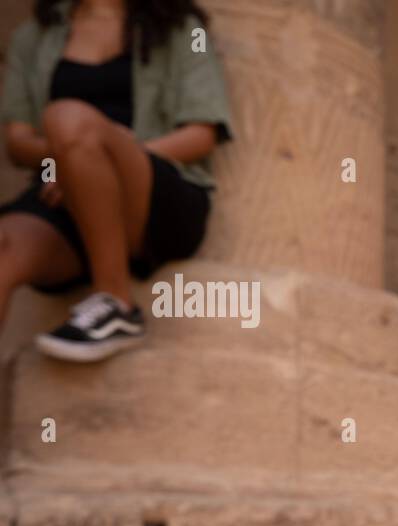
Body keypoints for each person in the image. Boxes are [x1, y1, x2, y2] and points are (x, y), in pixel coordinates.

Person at [0, 0, 231, 362]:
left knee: (68, 119)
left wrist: (99, 150)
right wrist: (71, 161)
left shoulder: (183, 29)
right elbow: (17, 142)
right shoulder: (34, 36)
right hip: (63, 196)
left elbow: (200, 135)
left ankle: (116, 302)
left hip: (157, 196)